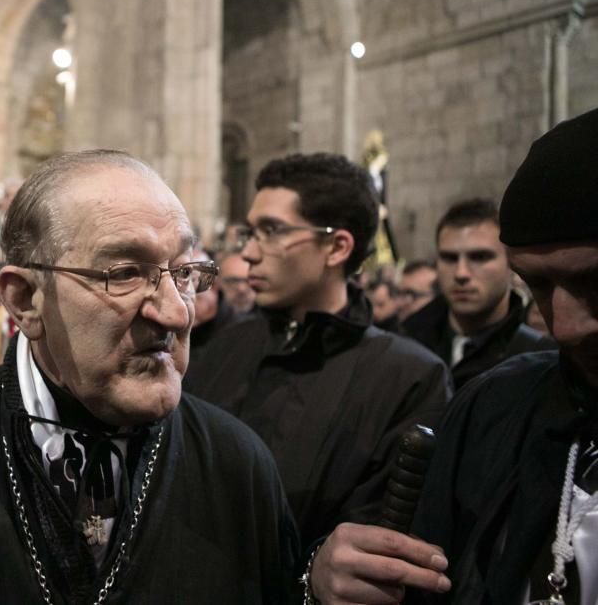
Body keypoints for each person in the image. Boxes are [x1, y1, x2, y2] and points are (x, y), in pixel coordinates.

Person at [0, 150, 298, 602]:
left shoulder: (240, 465)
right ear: (26, 300)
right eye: (126, 272)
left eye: (185, 273)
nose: (176, 314)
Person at [307, 105, 598, 604]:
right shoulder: (492, 406)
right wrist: (322, 577)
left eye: (592, 282)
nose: (566, 326)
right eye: (539, 284)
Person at [186, 153, 451, 547]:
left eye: (272, 231)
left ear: (336, 247)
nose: (249, 254)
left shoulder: (410, 377)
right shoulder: (224, 346)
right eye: (250, 233)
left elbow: (379, 536)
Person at [402, 198, 553, 389]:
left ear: (512, 263)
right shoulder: (407, 341)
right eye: (449, 258)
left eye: (480, 257)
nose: (461, 273)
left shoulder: (540, 359)